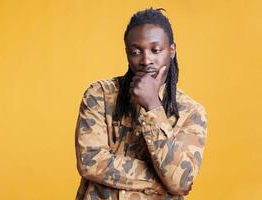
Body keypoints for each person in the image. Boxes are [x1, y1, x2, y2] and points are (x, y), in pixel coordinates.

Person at [74, 7, 207, 200]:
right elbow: (89, 162)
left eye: (156, 50)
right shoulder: (100, 95)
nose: (146, 60)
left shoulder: (191, 112)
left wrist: (153, 106)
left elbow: (182, 180)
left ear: (171, 50)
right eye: (136, 52)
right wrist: (160, 180)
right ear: (127, 53)